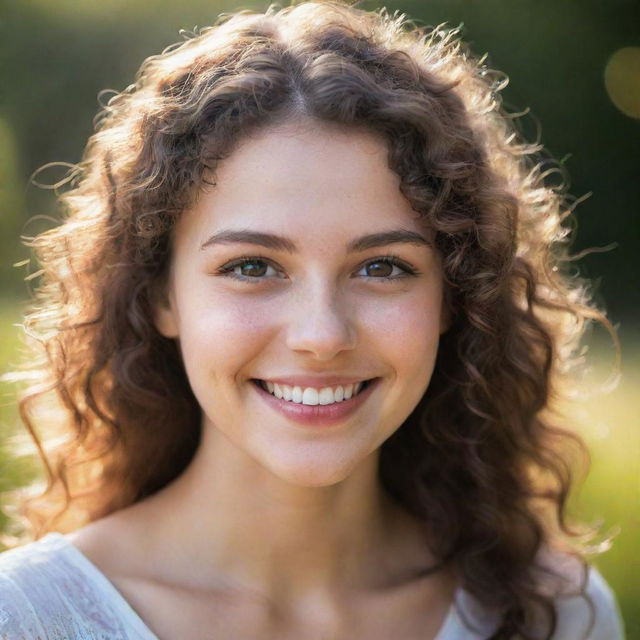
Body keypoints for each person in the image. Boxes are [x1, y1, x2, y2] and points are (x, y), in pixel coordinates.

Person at [0, 2, 626, 638]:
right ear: (160, 296)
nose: (322, 336)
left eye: (382, 268)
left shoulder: (560, 614)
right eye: (252, 266)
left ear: (456, 296)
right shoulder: (24, 618)